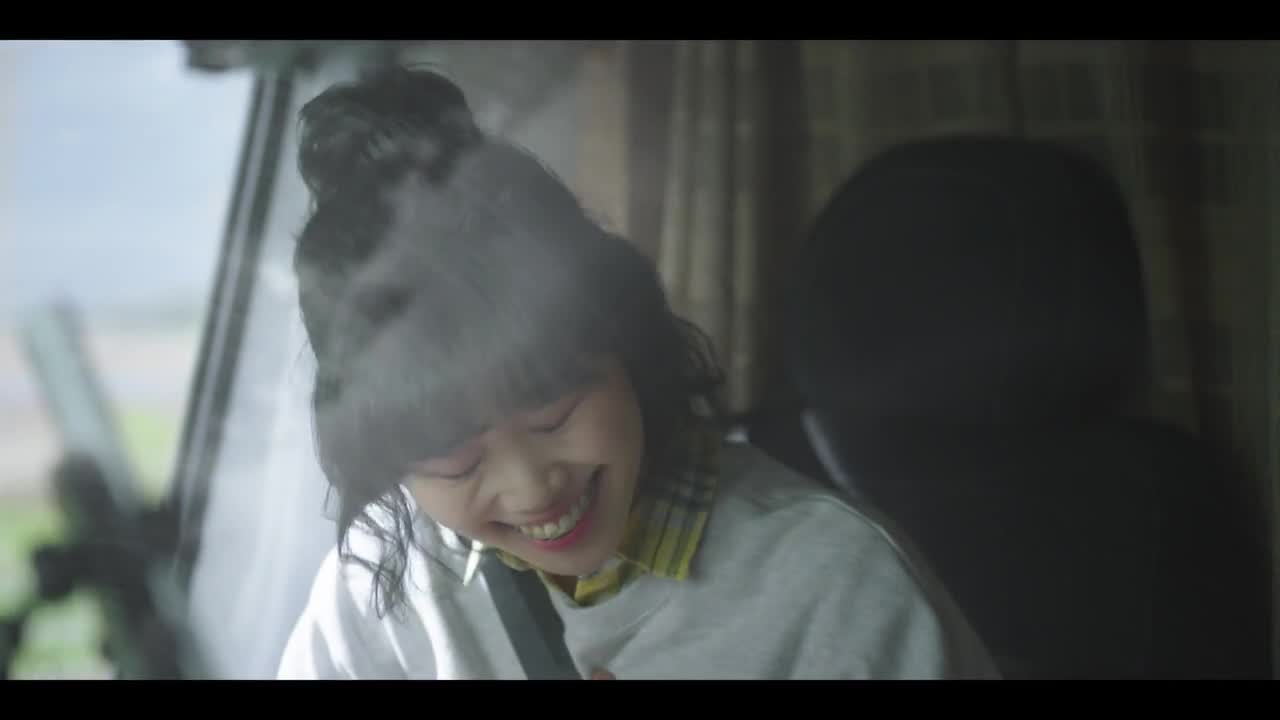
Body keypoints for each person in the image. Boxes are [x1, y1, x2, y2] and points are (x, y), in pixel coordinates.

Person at [275, 65, 998, 680]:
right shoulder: (380, 583)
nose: (531, 488)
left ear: (626, 341)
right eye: (455, 457)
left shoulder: (836, 584)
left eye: (553, 412)